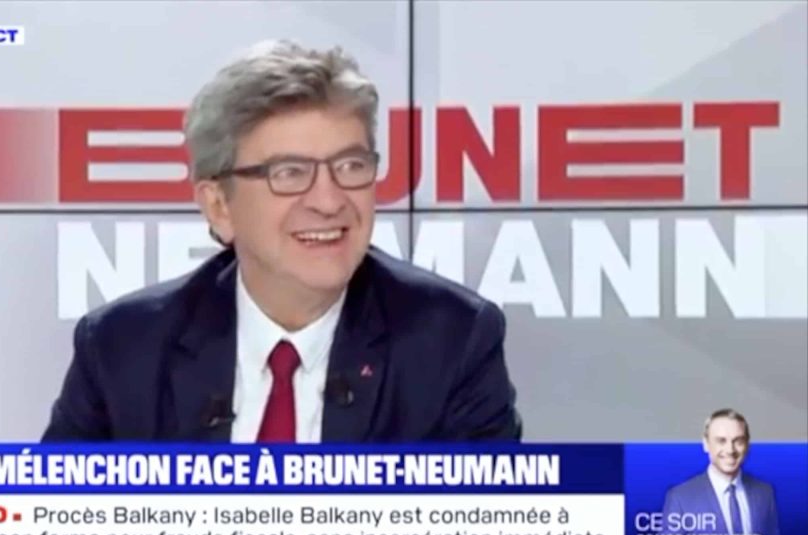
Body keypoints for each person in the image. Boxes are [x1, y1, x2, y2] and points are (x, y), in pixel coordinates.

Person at [41, 40, 521, 443]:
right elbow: (52, 521)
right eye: (289, 173)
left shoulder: (452, 341)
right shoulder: (122, 349)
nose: (329, 201)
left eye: (351, 166)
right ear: (219, 206)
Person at [652, 409, 787, 535]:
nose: (730, 450)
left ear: (747, 445)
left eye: (738, 441)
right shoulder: (680, 498)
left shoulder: (764, 492)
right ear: (706, 444)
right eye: (721, 441)